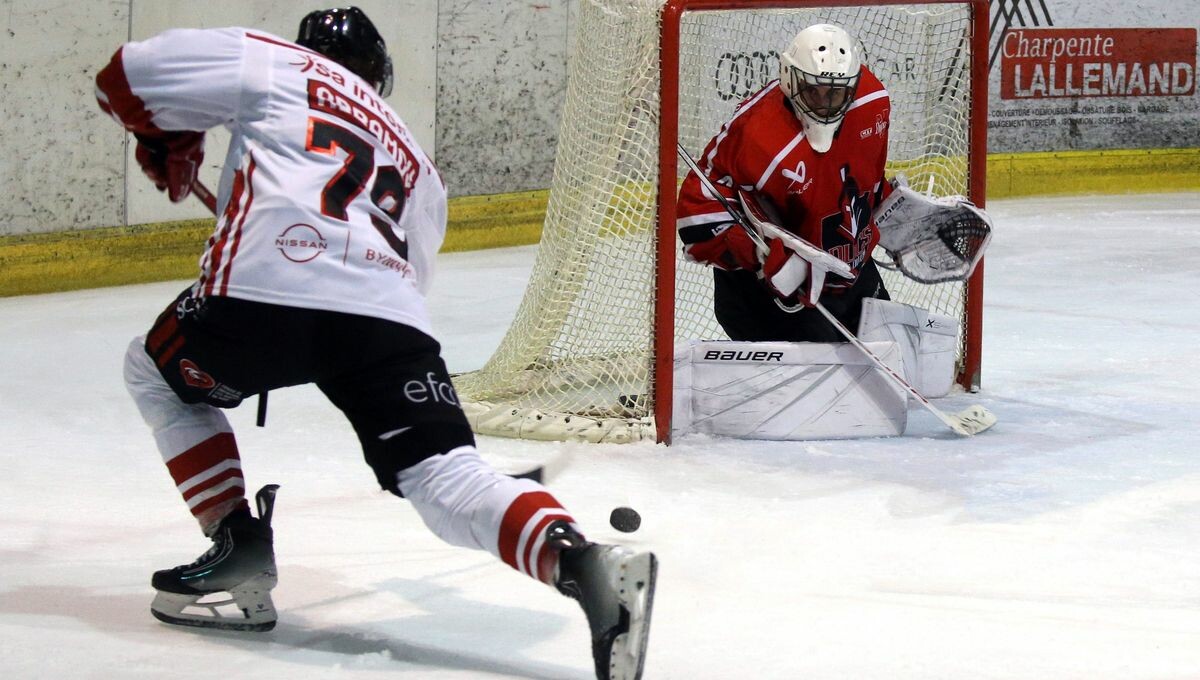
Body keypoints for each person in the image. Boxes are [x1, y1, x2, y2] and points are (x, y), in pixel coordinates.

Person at [95, 7, 655, 679]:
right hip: (384, 315)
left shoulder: (270, 60)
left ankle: (237, 540)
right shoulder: (417, 161)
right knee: (443, 476)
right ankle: (586, 563)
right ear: (378, 77)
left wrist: (168, 137)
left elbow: (119, 80)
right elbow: (410, 276)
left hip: (263, 290)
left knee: (152, 370)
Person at [676, 23, 894, 342]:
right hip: (773, 298)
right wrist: (759, 253)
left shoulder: (872, 101)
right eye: (814, 91)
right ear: (790, 80)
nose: (826, 103)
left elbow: (861, 173)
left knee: (894, 363)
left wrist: (891, 205)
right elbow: (695, 216)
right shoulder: (755, 135)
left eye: (836, 93)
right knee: (816, 389)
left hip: (852, 273)